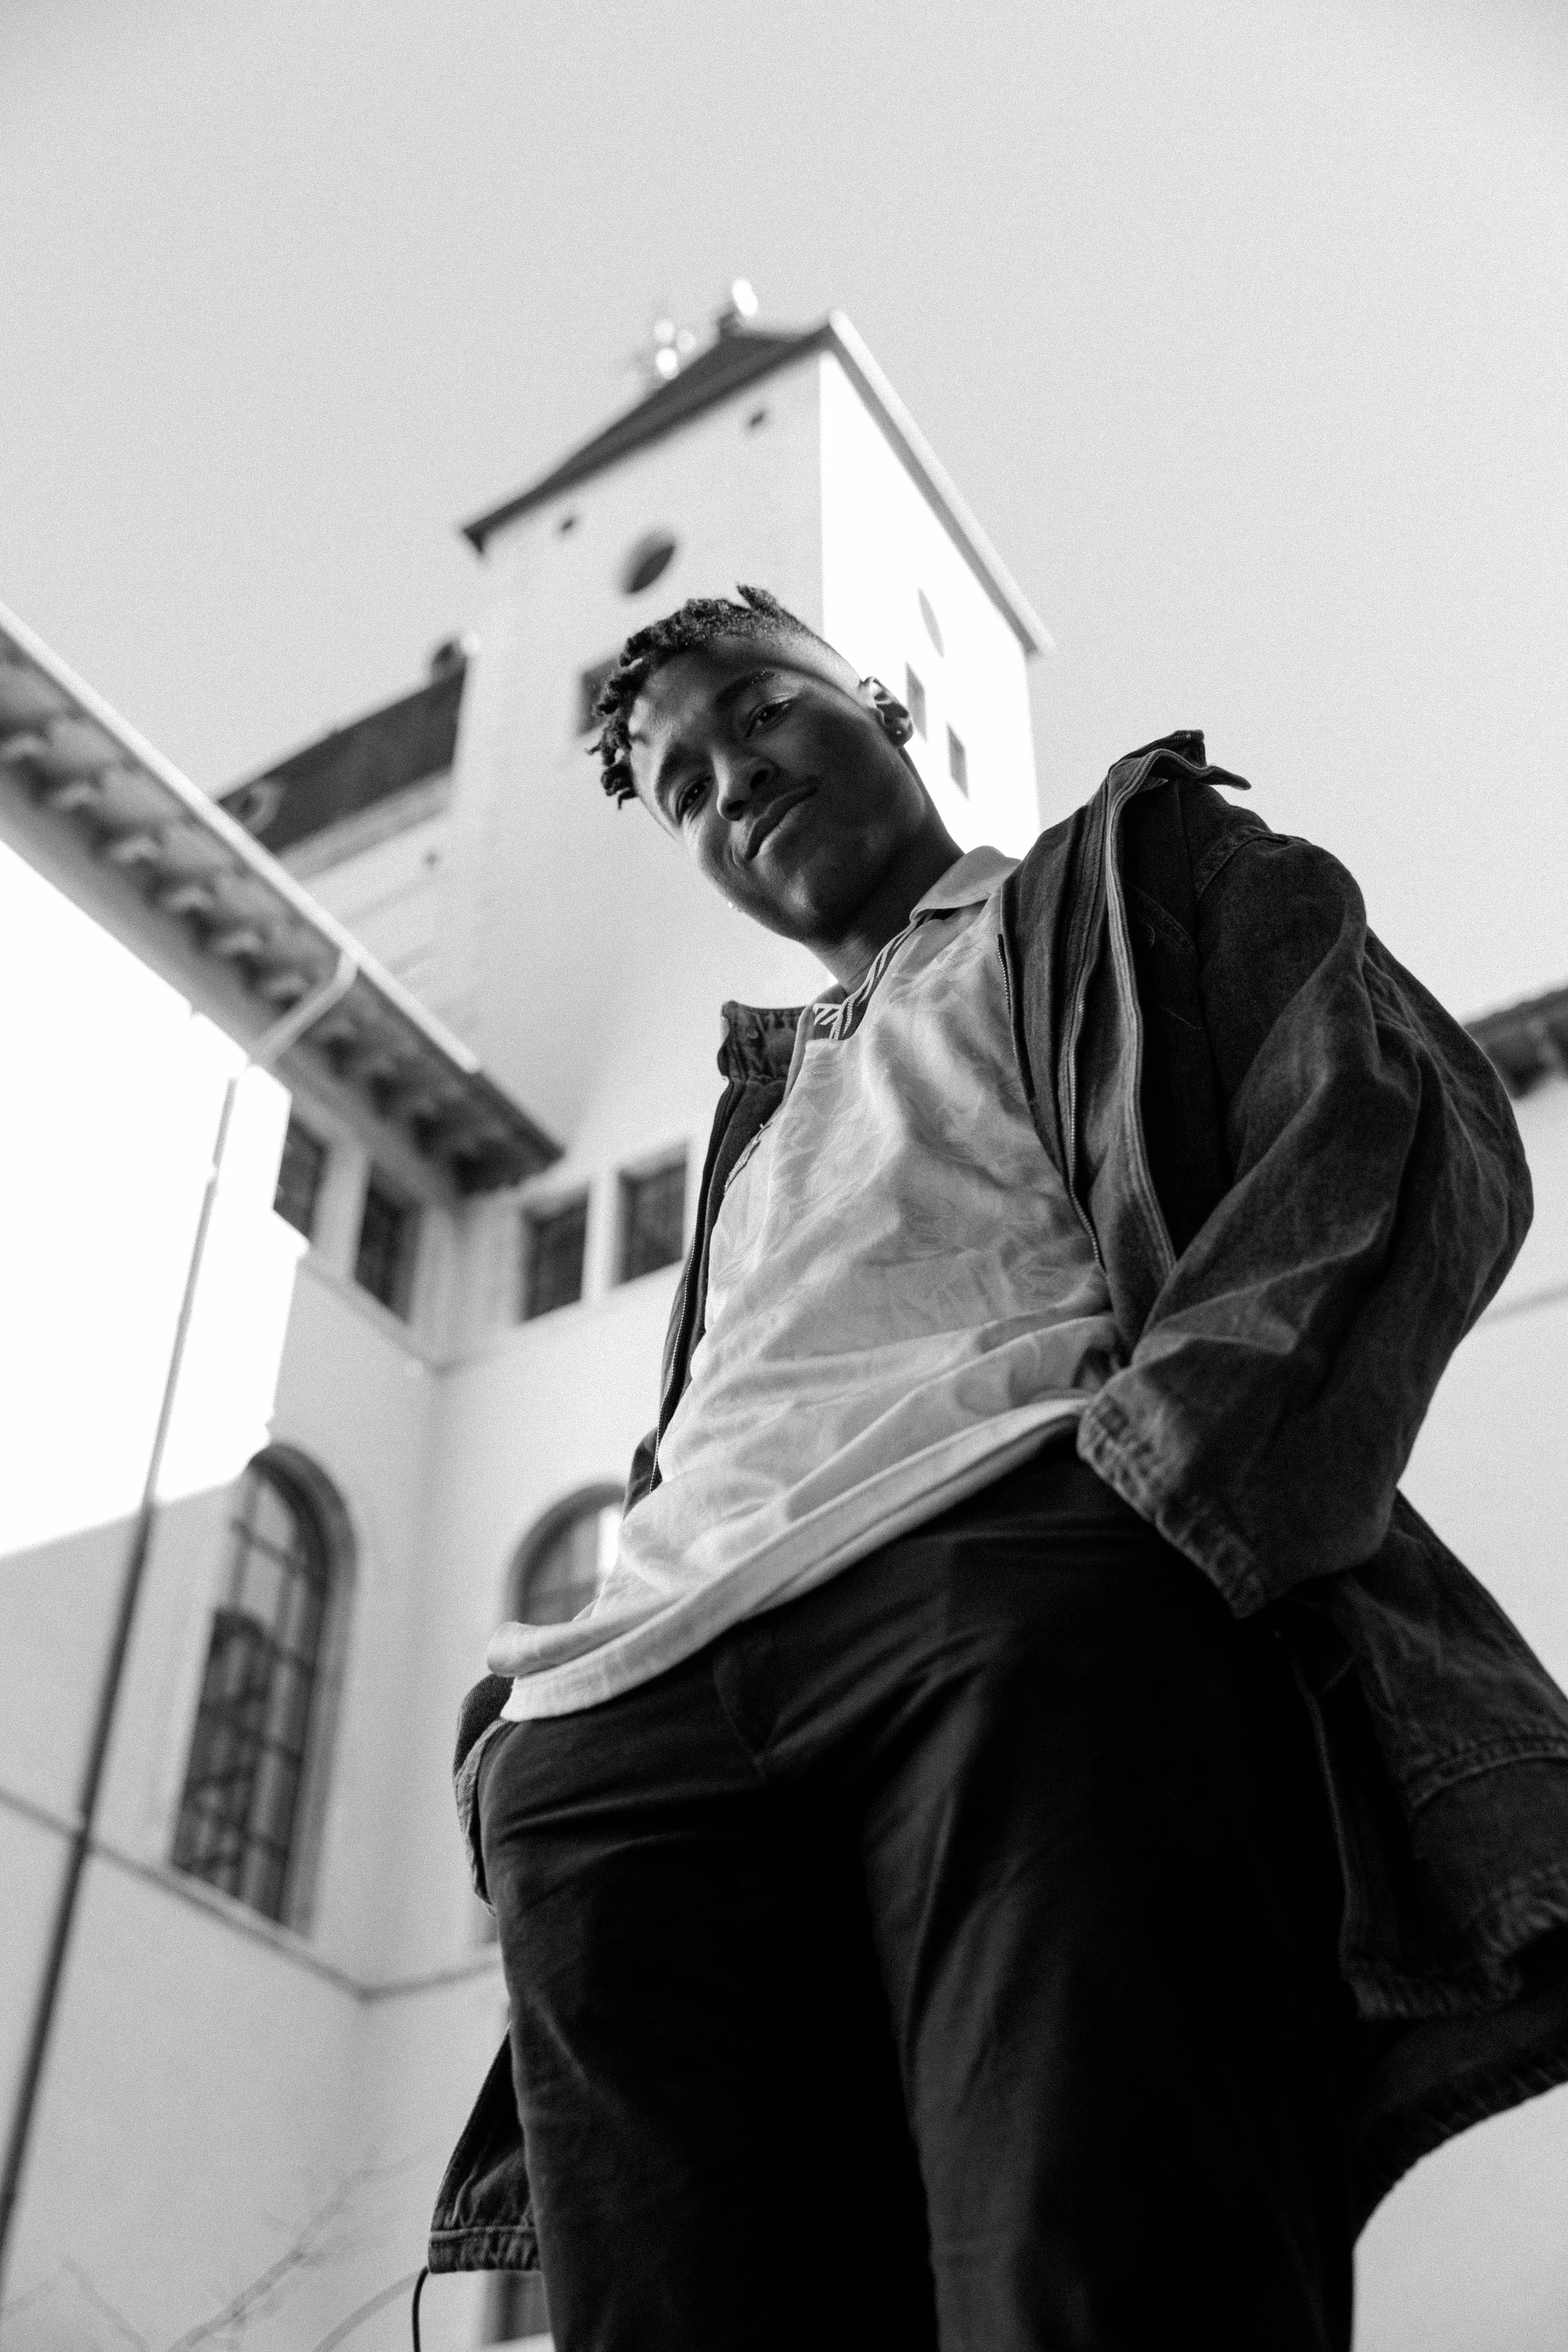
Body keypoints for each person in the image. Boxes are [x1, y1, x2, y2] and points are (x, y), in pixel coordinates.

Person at [428, 588, 1568, 2351]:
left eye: (761, 711)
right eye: (681, 785)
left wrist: (1164, 1493)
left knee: (1090, 2271)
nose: (733, 780)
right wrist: (529, 1727)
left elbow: (1389, 1121)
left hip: (1006, 1607)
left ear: (883, 709)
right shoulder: (757, 1116)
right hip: (622, 1733)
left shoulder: (1125, 884)